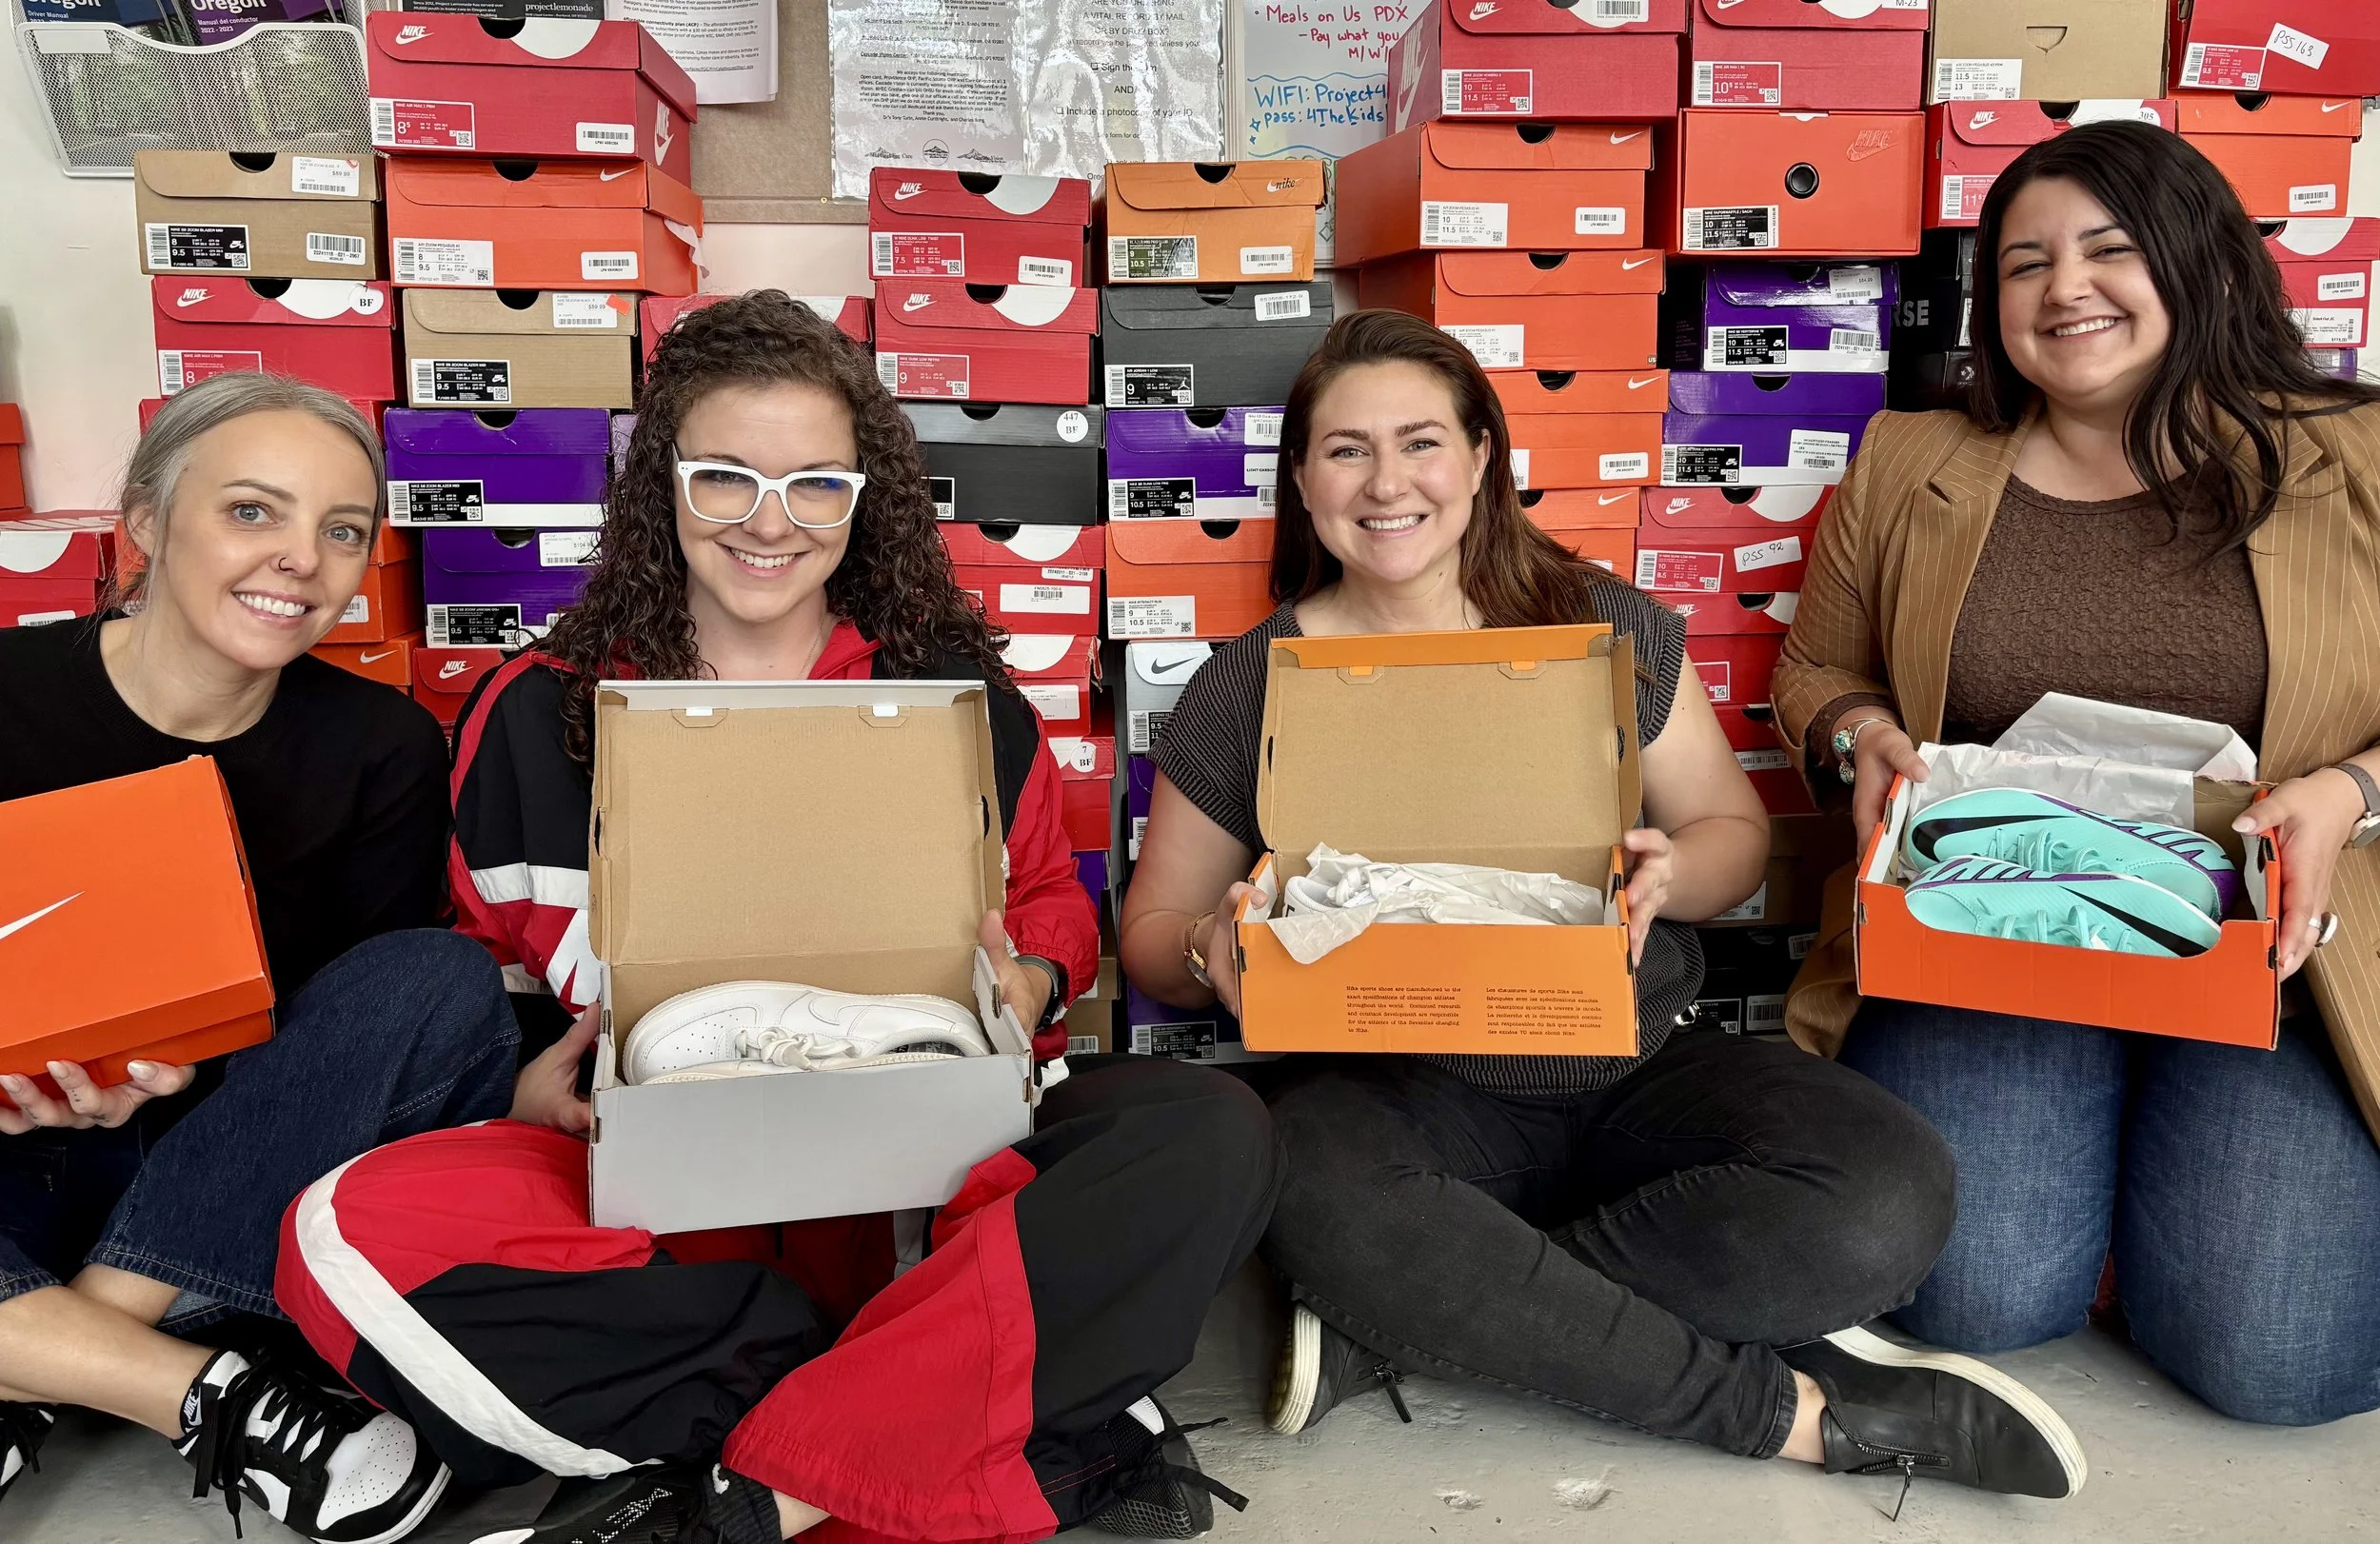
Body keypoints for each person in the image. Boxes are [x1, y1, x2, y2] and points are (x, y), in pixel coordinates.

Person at [272, 291, 1282, 1544]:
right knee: (337, 1230)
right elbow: (485, 962)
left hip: (936, 1178)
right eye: (723, 480)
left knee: (1207, 1131)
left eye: (815, 485)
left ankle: (753, 1497)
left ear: (866, 501)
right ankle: (985, 1407)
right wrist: (530, 1083)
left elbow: (1042, 912)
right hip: (664, 1193)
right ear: (659, 489)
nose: (769, 524)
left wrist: (1025, 980)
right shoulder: (535, 710)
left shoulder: (957, 700)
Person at [1120, 308, 2087, 1502]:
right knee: (1312, 1183)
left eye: (1421, 441)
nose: (1386, 483)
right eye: (1344, 449)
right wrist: (1214, 946)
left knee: (1886, 1186)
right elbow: (1151, 942)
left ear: (1482, 457)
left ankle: (1407, 1320)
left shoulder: (1604, 624)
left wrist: (1676, 873)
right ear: (1303, 479)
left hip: (1631, 1060)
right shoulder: (1249, 680)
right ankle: (1783, 1411)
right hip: (1402, 1096)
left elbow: (1738, 839)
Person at [1773, 121, 2380, 1427]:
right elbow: (1812, 673)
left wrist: (2349, 792)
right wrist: (1861, 735)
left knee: (2281, 1359)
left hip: (2272, 940)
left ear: (2201, 265)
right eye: (2023, 263)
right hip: (1997, 922)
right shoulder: (1911, 460)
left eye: (2109, 250)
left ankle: (2177, 1148)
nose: (2064, 290)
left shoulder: (2356, 454)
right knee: (1971, 1299)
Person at [0, 373, 572, 1543]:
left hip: (216, 1180)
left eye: (342, 529)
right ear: (147, 521)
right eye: (253, 511)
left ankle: (52, 1352)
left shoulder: (383, 748)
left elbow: (351, 1052)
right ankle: (195, 1389)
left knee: (438, 976)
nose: (302, 559)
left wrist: (184, 1070)